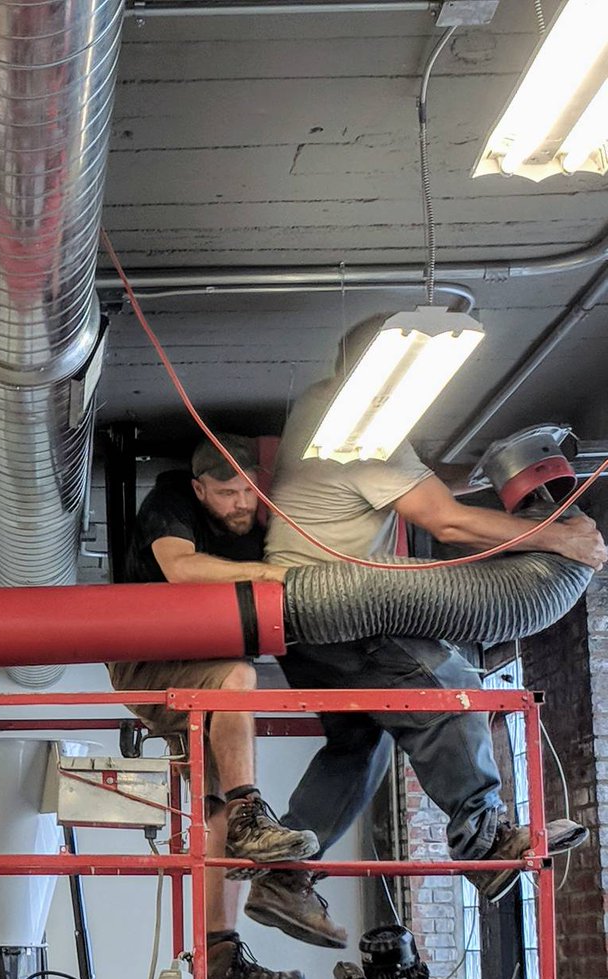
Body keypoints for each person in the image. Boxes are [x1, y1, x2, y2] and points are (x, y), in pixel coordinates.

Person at [254, 318, 603, 946]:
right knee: (450, 691)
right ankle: (487, 840)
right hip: (344, 610)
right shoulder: (362, 433)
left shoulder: (322, 411)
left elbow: (425, 488)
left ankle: (283, 877)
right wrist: (562, 537)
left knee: (362, 743)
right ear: (379, 378)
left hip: (301, 624)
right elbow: (448, 522)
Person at [108, 435, 319, 979]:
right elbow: (179, 568)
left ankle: (220, 954)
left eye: (249, 492)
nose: (241, 506)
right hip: (147, 663)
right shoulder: (171, 502)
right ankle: (252, 811)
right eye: (227, 495)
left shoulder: (261, 512)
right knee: (238, 679)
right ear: (201, 490)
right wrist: (267, 573)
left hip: (199, 665)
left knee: (214, 805)